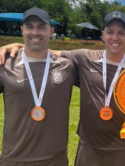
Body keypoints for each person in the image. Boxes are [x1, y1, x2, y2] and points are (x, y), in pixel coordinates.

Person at [0, 10, 125, 166]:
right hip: (85, 149)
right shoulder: (84, 58)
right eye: (110, 32)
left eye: (121, 33)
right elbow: (46, 50)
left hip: (118, 148)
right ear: (102, 34)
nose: (115, 37)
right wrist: (18, 45)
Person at [0, 7, 77, 165]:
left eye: (41, 27)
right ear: (22, 30)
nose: (35, 32)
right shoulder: (4, 64)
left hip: (55, 160)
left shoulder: (66, 67)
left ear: (51, 31)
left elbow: (100, 76)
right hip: (14, 160)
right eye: (29, 27)